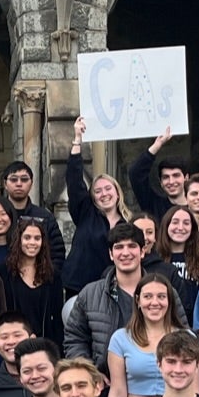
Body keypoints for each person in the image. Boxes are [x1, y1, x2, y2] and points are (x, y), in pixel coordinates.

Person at [62, 119, 132, 293]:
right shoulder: (86, 213)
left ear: (117, 192)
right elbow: (74, 180)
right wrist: (77, 139)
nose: (104, 194)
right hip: (80, 288)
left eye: (108, 188)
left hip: (113, 290)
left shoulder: (129, 223)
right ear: (93, 197)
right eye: (98, 191)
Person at [65, 221, 147, 364]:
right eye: (119, 247)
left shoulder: (163, 291)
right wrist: (90, 373)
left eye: (132, 246)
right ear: (111, 254)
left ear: (142, 252)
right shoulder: (90, 294)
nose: (125, 253)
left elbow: (179, 334)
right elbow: (75, 339)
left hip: (152, 379)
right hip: (104, 380)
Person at [106, 275, 178, 397]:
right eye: (147, 296)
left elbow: (194, 390)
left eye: (161, 296)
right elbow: (117, 392)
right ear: (138, 301)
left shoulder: (185, 338)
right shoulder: (120, 339)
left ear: (169, 301)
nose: (155, 302)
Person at [126, 131, 188, 222]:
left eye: (176, 175)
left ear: (186, 178)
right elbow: (135, 174)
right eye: (166, 177)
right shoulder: (153, 204)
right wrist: (157, 145)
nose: (171, 181)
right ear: (161, 182)